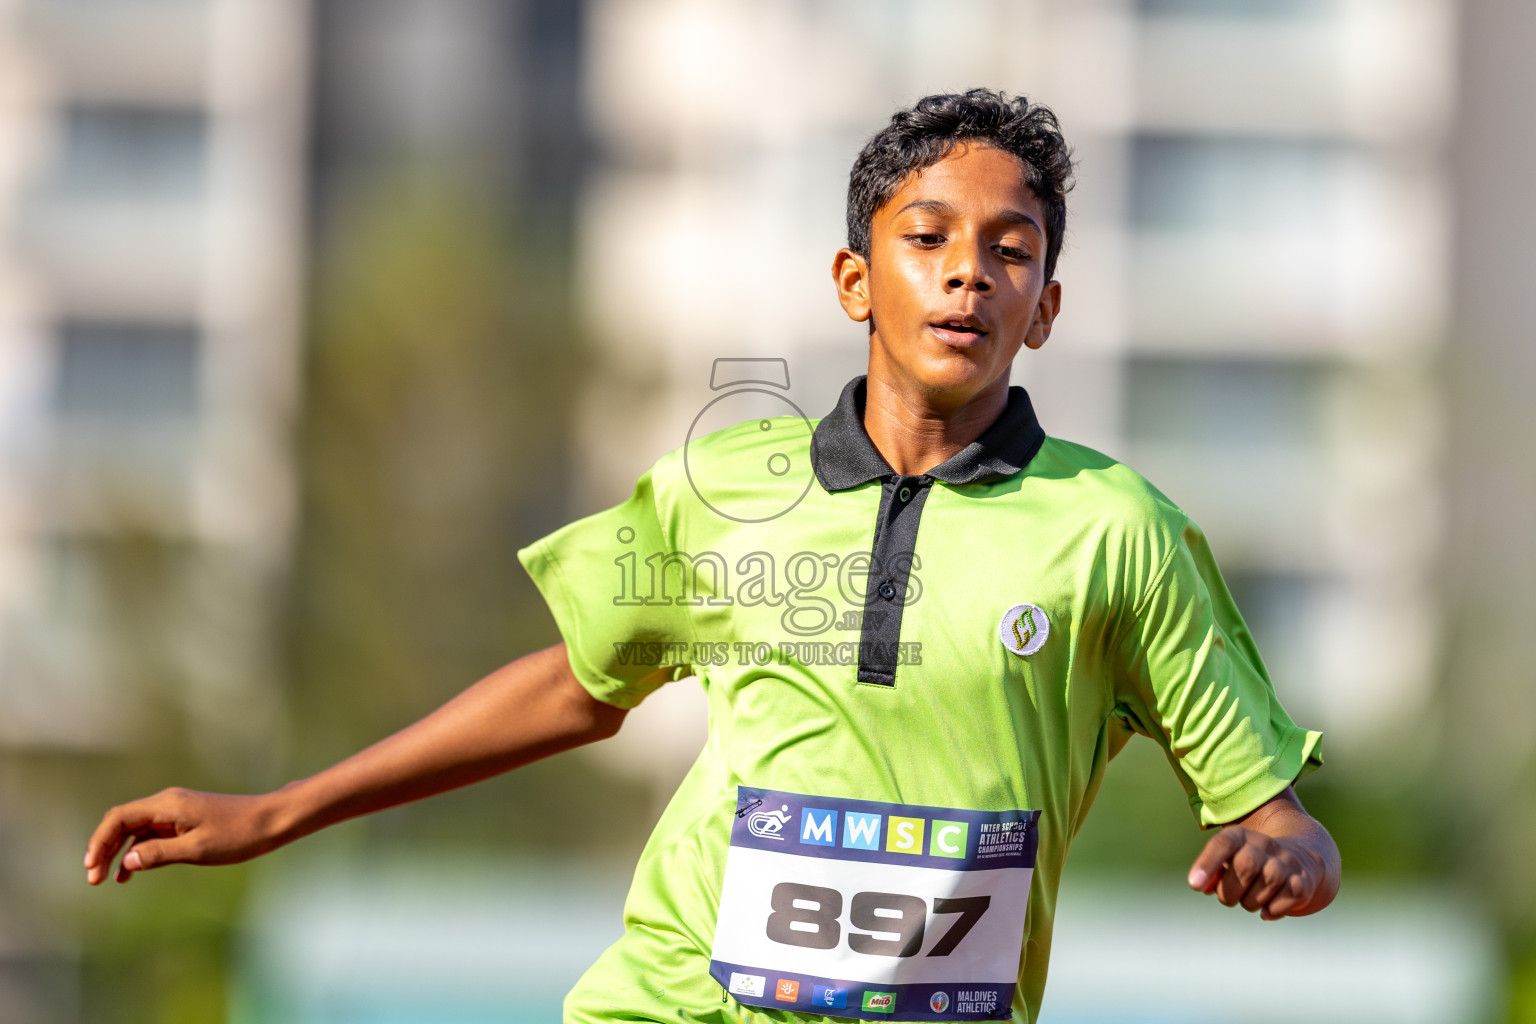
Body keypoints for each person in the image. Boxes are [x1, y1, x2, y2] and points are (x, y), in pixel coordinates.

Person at [84, 89, 1339, 1022]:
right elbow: (579, 686)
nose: (969, 271)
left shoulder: (1115, 529)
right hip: (672, 999)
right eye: (929, 238)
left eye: (1011, 249)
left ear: (1047, 307)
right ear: (857, 280)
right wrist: (277, 809)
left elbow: (1277, 815)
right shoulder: (722, 487)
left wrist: (1286, 853)